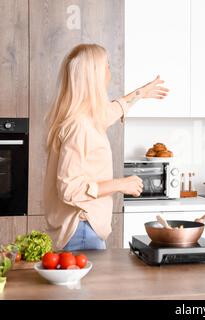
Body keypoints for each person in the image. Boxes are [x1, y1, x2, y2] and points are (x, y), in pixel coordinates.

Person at [43, 44, 169, 251]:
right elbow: (70, 189)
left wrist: (139, 93)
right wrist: (121, 184)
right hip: (82, 230)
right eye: (107, 67)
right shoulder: (80, 126)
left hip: (83, 229)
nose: (110, 73)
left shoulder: (84, 118)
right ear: (95, 77)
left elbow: (109, 111)